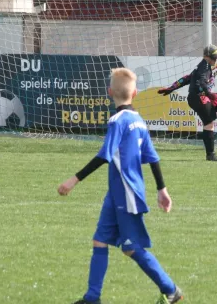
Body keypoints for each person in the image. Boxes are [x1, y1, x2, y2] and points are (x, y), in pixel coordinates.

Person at [58, 68, 183, 304]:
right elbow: (153, 157)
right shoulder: (138, 121)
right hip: (116, 194)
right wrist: (161, 189)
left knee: (131, 248)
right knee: (99, 239)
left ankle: (171, 289)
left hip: (126, 193)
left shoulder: (117, 121)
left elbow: (104, 155)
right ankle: (92, 297)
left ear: (109, 92)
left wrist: (73, 180)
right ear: (135, 93)